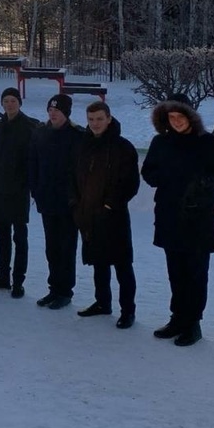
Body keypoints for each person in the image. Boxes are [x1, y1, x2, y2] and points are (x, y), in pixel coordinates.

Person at [140, 94, 214, 347]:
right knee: (175, 272)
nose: (176, 121)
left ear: (191, 117)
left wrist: (208, 182)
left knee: (195, 273)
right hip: (169, 215)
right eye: (171, 117)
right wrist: (162, 176)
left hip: (198, 219)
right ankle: (177, 318)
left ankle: (193, 323)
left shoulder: (209, 143)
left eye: (180, 116)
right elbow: (148, 171)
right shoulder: (161, 142)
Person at [72, 101, 141, 329]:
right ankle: (102, 302)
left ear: (109, 119)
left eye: (100, 119)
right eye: (91, 119)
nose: (95, 124)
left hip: (114, 216)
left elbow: (130, 183)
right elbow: (73, 176)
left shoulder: (123, 147)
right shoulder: (83, 145)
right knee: (98, 262)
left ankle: (127, 310)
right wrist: (76, 204)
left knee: (122, 265)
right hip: (88, 214)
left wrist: (110, 205)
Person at [28, 93, 84, 310]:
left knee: (66, 248)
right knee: (51, 248)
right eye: (50, 110)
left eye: (57, 111)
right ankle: (54, 288)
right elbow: (33, 163)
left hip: (68, 203)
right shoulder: (40, 133)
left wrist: (76, 196)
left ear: (66, 113)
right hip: (47, 199)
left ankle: (65, 290)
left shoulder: (77, 136)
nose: (53, 114)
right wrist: (36, 190)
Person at [0, 86, 40, 299]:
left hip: (18, 190)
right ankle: (3, 276)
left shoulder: (29, 126)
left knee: (19, 238)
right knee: (3, 237)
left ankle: (18, 281)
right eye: (6, 101)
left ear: (19, 103)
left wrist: (27, 184)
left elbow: (32, 159)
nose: (9, 104)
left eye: (13, 101)